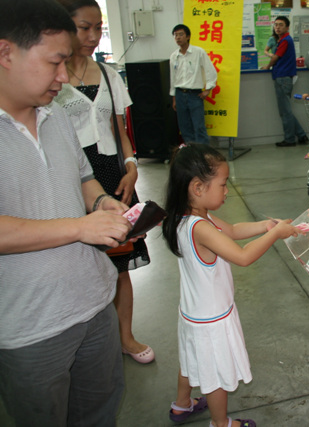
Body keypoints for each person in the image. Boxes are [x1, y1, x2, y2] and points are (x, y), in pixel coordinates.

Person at [0, 0, 134, 424]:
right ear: (5, 52)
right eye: (54, 62)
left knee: (99, 411)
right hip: (30, 325)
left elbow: (83, 176)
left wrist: (101, 202)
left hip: (94, 302)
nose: (64, 76)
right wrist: (79, 227)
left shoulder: (56, 113)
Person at [162, 144, 298, 427]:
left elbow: (234, 231)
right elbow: (243, 256)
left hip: (193, 313)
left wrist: (265, 226)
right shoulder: (201, 227)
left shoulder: (189, 216)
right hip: (212, 320)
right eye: (223, 184)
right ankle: (221, 423)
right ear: (198, 187)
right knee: (215, 375)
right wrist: (275, 235)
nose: (227, 191)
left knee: (191, 358)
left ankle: (182, 405)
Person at [54, 0, 153, 364]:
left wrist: (131, 166)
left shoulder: (110, 75)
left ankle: (125, 336)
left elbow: (120, 130)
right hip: (71, 179)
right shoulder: (52, 78)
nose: (93, 36)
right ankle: (86, 343)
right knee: (79, 264)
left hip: (112, 176)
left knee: (119, 264)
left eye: (98, 27)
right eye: (85, 27)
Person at [261, 16, 309, 147]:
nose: (277, 27)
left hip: (282, 77)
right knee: (286, 110)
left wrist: (267, 66)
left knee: (285, 111)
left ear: (287, 27)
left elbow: (275, 57)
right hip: (284, 77)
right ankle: (301, 135)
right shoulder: (284, 40)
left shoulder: (285, 40)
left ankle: (289, 139)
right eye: (276, 24)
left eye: (281, 25)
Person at [170, 24, 218, 145]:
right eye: (175, 35)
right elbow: (173, 78)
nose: (178, 37)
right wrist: (174, 98)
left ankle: (203, 153)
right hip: (180, 94)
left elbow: (211, 71)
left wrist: (207, 90)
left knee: (199, 127)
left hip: (194, 95)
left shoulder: (198, 52)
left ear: (188, 36)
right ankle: (191, 153)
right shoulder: (174, 56)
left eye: (181, 34)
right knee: (185, 128)